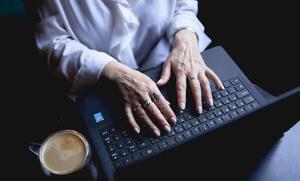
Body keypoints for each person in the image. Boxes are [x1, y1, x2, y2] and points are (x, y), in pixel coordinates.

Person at [34, 0, 224, 137]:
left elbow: (183, 6)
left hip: (172, 66)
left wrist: (186, 36)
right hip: (102, 85)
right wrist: (110, 69)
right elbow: (53, 43)